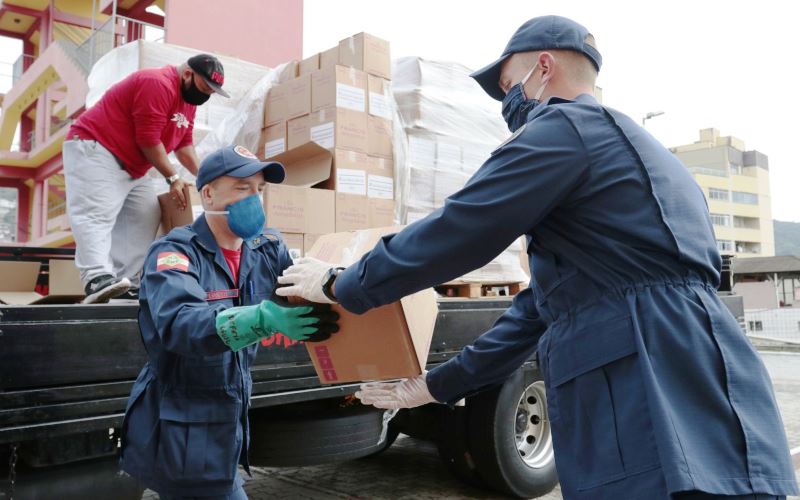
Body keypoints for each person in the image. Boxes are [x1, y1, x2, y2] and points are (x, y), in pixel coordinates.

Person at [275, 15, 798, 500]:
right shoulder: (652, 159)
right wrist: (433, 387)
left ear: (543, 68)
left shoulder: (563, 131)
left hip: (641, 376)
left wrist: (341, 283)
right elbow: (535, 313)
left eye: (508, 86)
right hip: (713, 374)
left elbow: (461, 229)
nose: (507, 103)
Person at [119, 145, 339, 499]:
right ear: (208, 193)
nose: (255, 200)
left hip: (230, 418)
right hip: (184, 424)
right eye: (242, 188)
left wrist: (337, 284)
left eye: (259, 190)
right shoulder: (174, 253)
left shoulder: (265, 248)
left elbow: (302, 287)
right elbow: (181, 324)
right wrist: (263, 318)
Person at [63, 53, 229, 303]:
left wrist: (207, 178)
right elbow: (148, 140)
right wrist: (173, 177)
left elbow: (184, 146)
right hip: (97, 148)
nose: (206, 95)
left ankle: (125, 282)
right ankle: (96, 277)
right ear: (187, 74)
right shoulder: (157, 83)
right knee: (95, 213)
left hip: (132, 165)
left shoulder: (188, 101)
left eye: (212, 91)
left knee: (146, 213)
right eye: (205, 87)